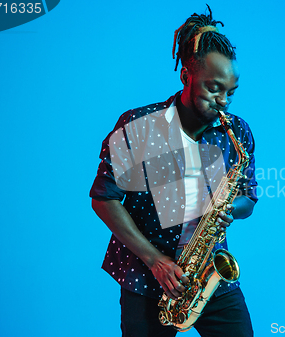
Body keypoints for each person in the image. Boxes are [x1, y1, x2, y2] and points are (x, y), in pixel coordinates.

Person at [90, 6, 258, 337]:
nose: (223, 101)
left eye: (231, 92)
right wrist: (156, 261)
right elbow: (104, 198)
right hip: (146, 277)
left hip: (208, 271)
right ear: (186, 76)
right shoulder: (138, 126)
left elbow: (248, 198)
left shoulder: (236, 132)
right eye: (214, 88)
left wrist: (228, 209)